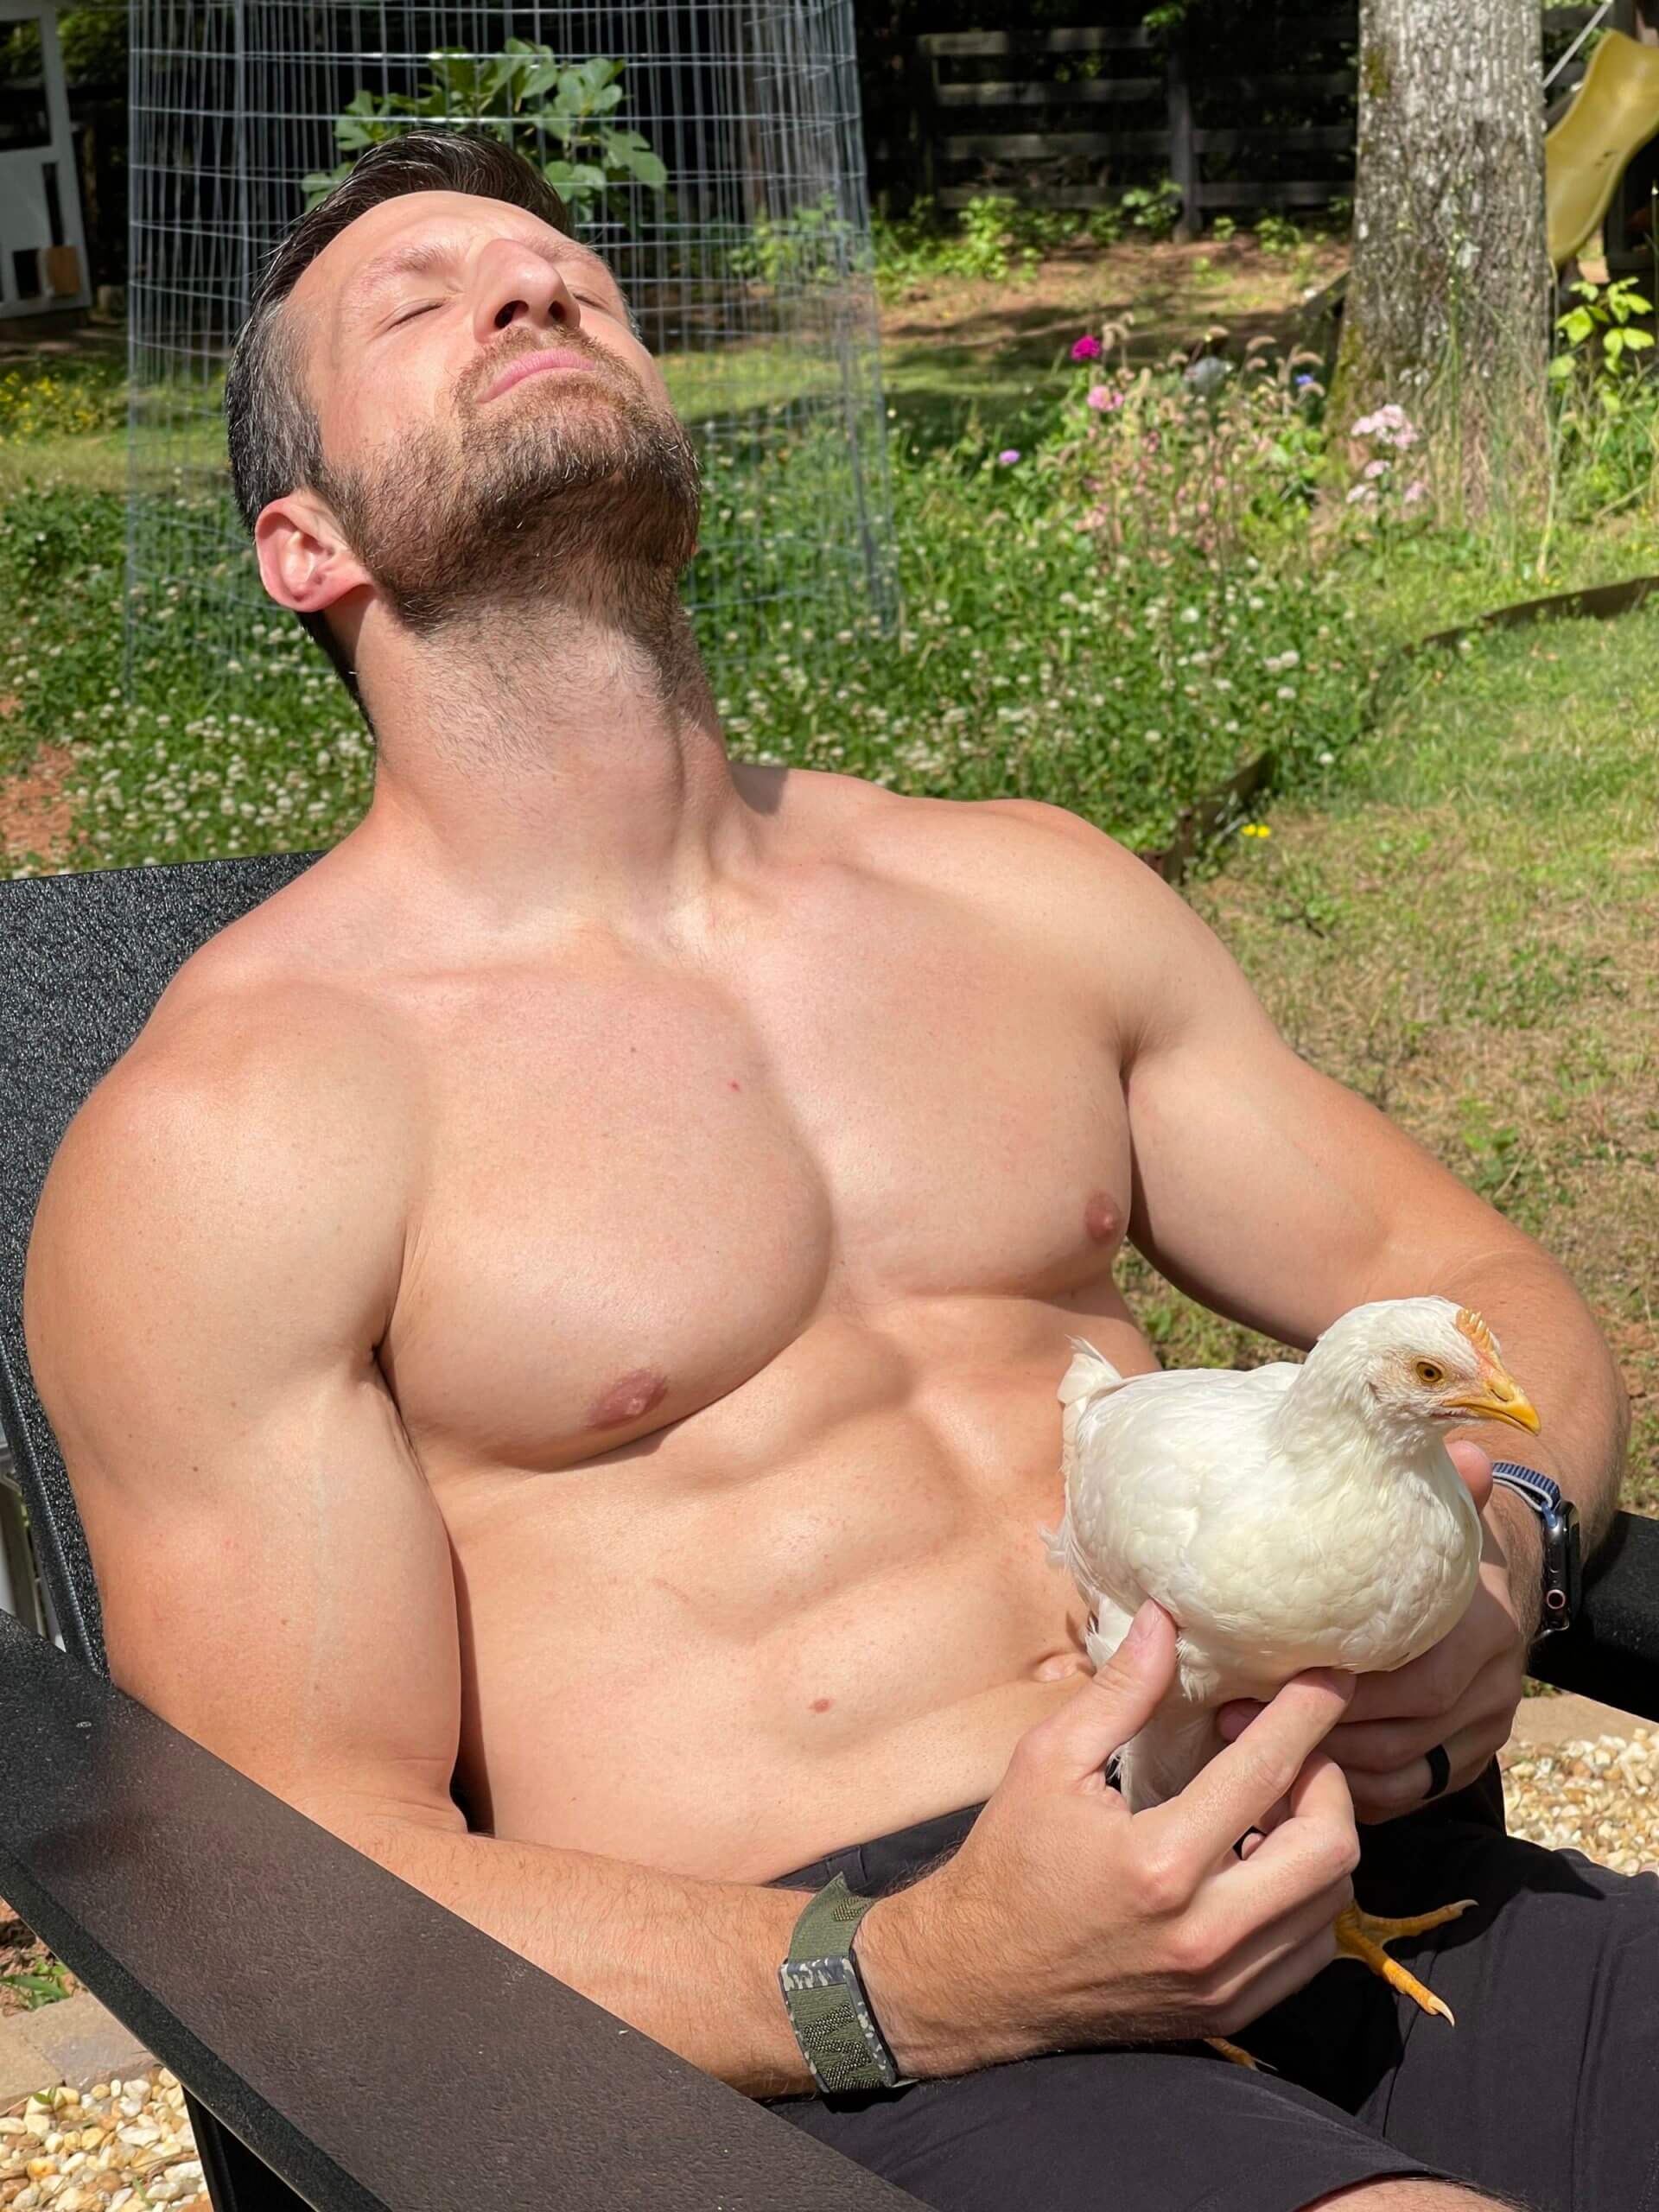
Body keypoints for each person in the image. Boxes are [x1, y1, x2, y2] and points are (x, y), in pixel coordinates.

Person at [22, 130, 1651, 2212]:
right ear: (303, 544)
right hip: (827, 2061)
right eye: (422, 301)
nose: (535, 292)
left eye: (570, 273)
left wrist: (1500, 1540)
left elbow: (1462, 1264)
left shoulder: (1023, 899)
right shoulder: (244, 1123)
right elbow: (306, 1881)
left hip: (1380, 1897)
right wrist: (911, 1976)